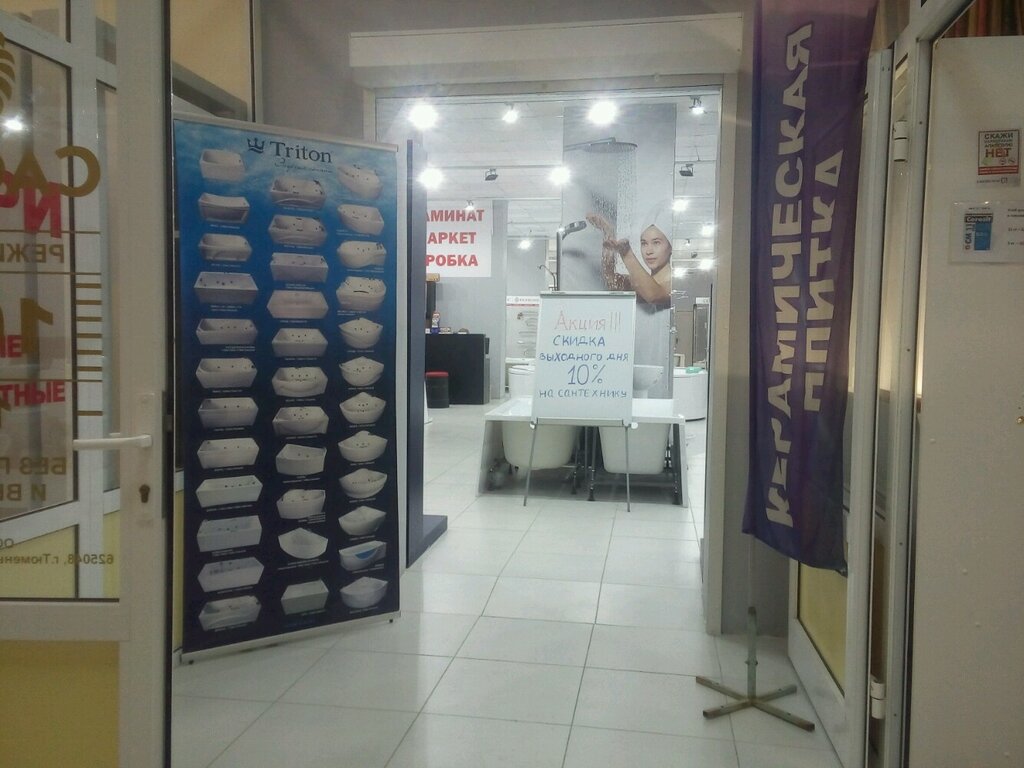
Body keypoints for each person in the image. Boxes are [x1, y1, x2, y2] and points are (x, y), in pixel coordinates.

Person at [587, 212, 672, 306]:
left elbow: (653, 296)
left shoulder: (677, 283)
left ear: (671, 246)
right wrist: (608, 232)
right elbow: (612, 281)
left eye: (656, 243)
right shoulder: (639, 283)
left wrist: (626, 253)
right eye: (644, 243)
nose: (649, 251)